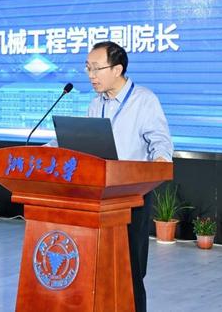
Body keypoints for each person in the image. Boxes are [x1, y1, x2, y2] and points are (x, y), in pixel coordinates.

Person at [85, 41, 173, 312]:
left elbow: (160, 140)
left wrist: (161, 159)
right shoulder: (95, 104)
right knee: (99, 269)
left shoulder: (144, 100)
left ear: (117, 69)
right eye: (88, 69)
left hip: (132, 197)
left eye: (96, 68)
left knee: (130, 271)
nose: (91, 75)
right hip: (100, 198)